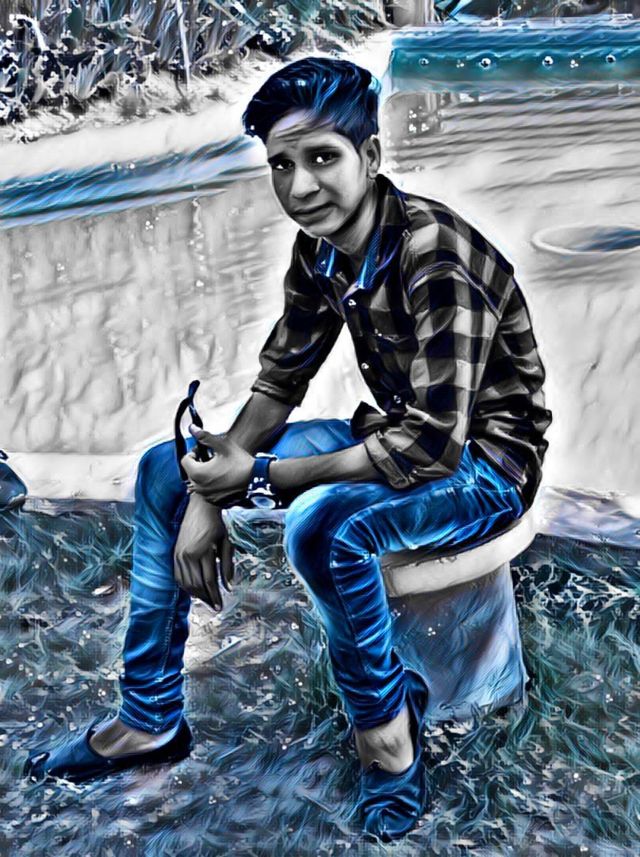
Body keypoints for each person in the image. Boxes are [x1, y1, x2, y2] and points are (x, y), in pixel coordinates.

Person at [23, 57, 552, 843]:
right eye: (281, 164)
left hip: (486, 466)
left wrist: (264, 475)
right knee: (164, 470)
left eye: (323, 158)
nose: (300, 186)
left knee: (325, 528)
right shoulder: (322, 250)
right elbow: (280, 382)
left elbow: (433, 445)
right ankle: (148, 717)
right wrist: (208, 491)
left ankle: (389, 740)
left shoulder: (433, 255)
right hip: (393, 434)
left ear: (371, 157)